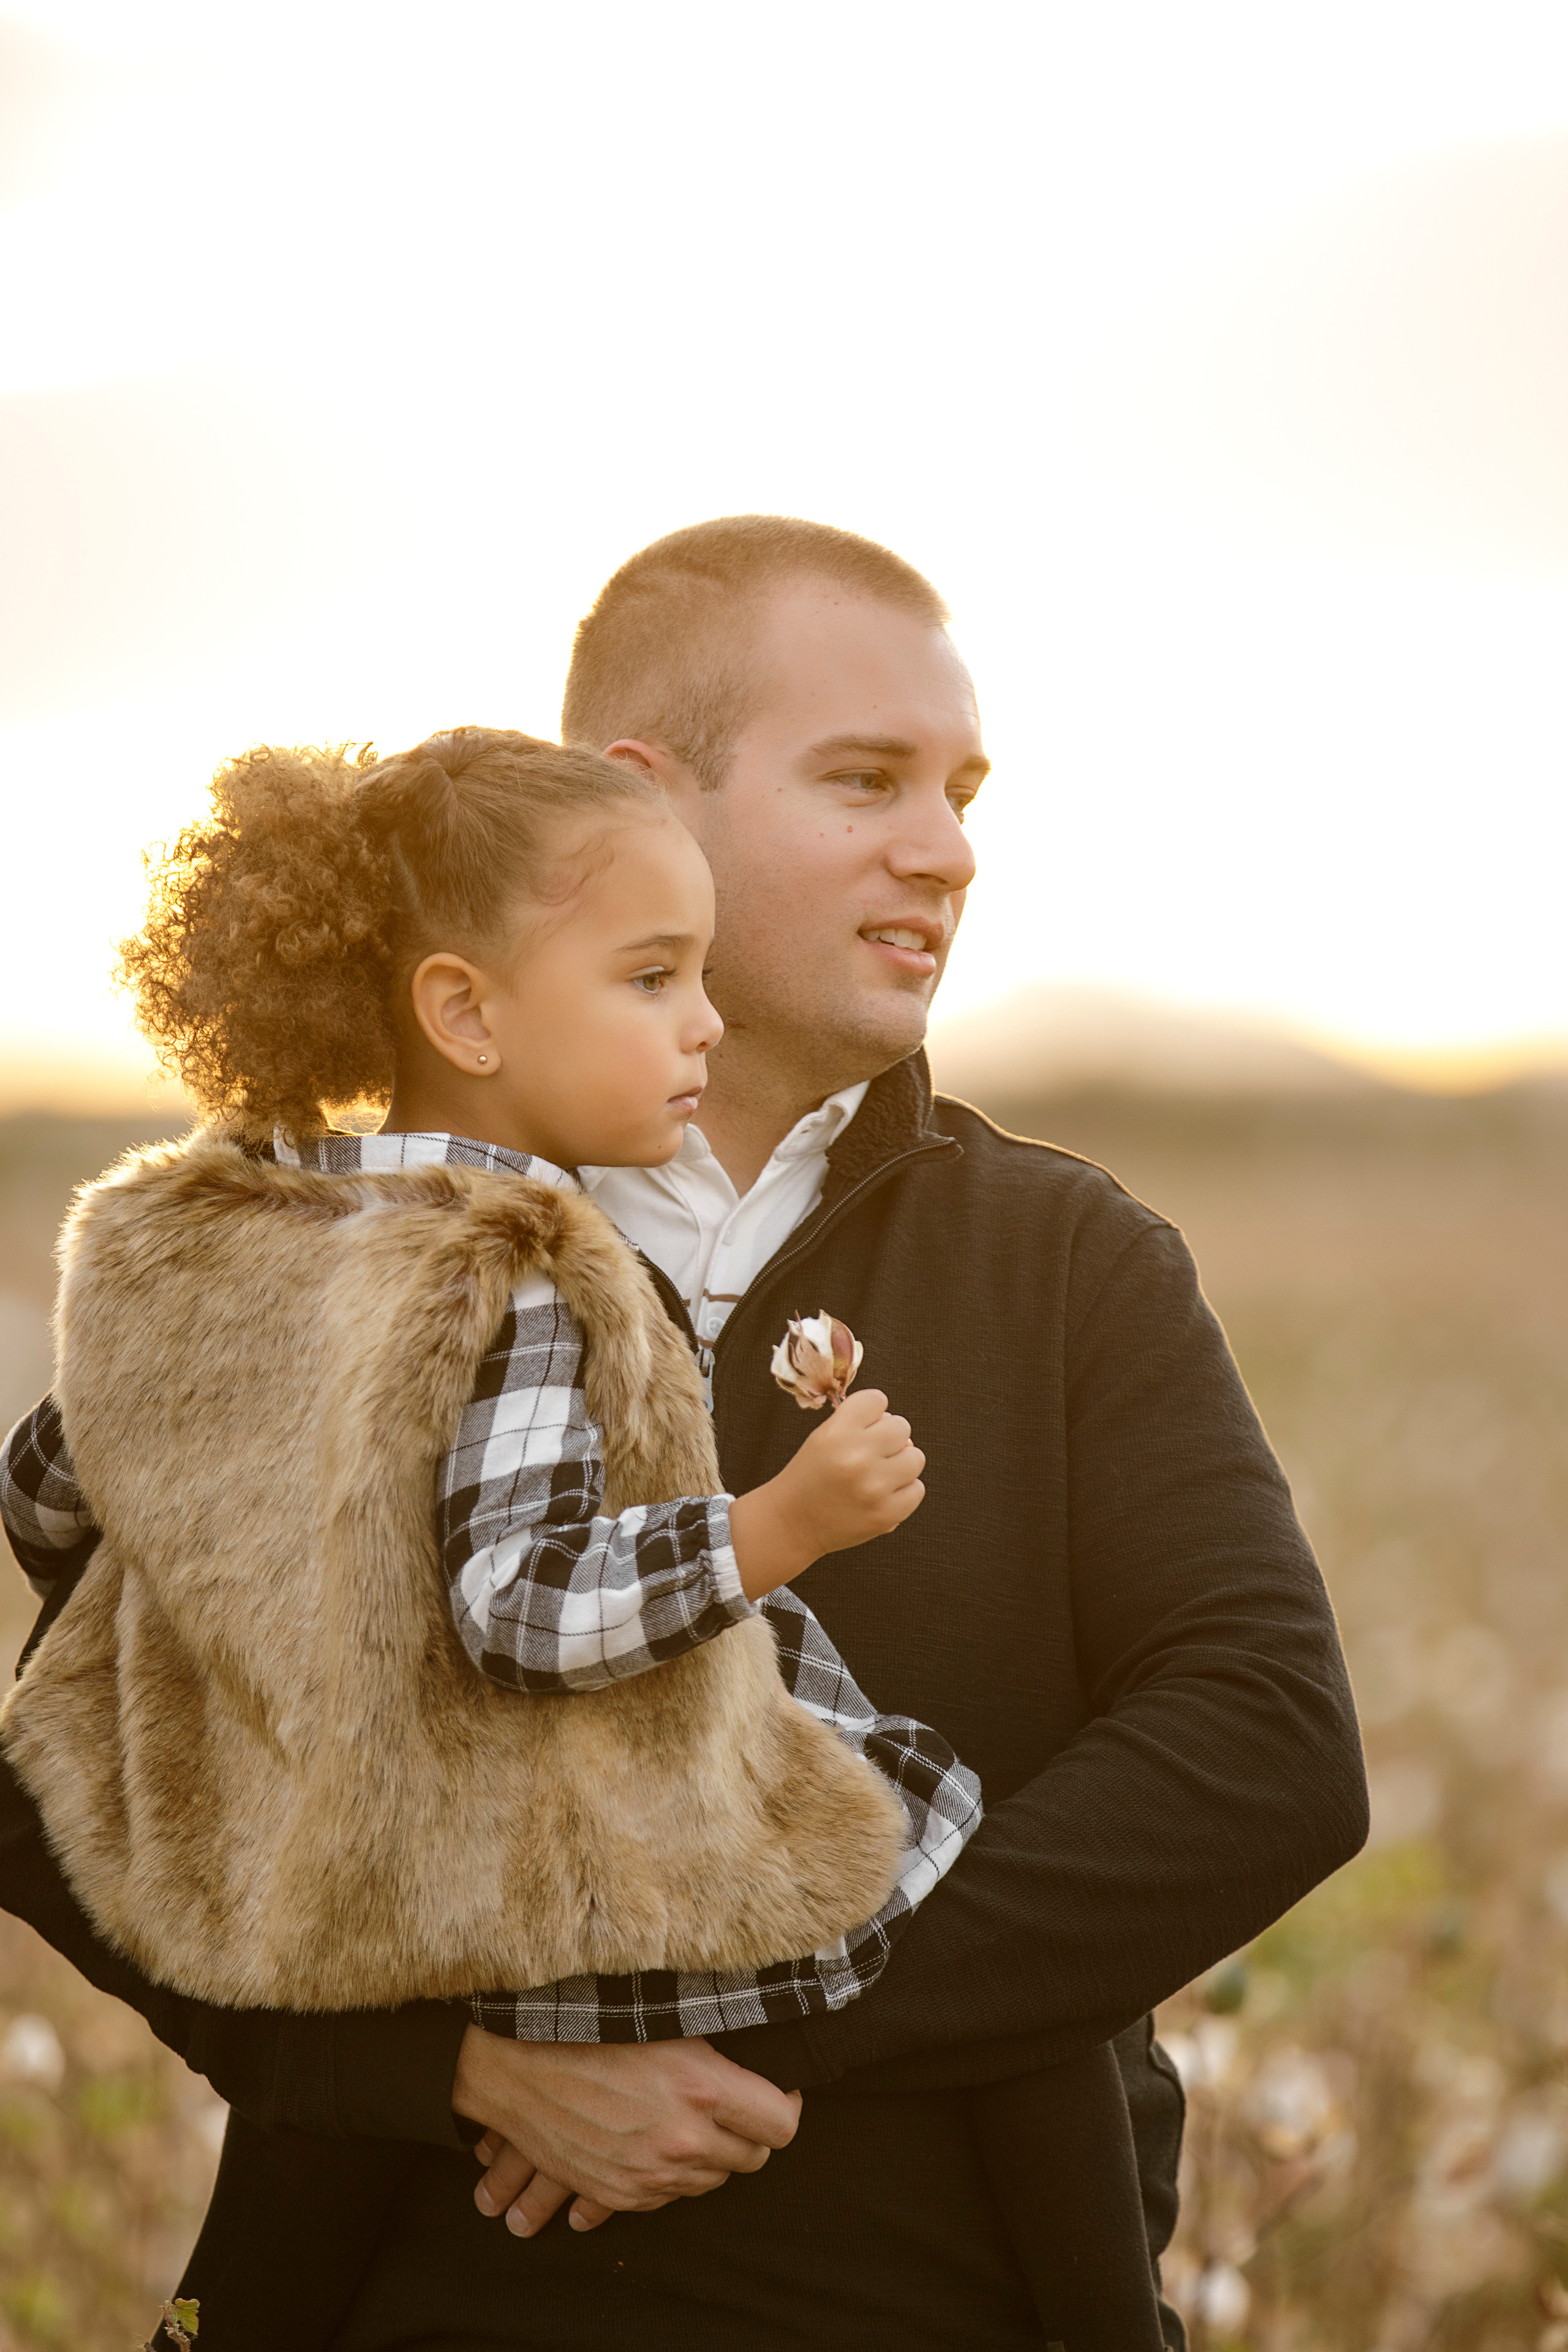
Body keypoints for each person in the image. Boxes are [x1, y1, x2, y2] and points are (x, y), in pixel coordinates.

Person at [0, 517, 1368, 2349]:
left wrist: (701, 2012)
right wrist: (461, 2071)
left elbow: (1265, 1755)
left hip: (972, 2302)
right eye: (866, 779)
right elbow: (73, 1776)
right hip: (417, 2303)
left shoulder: (1070, 1258)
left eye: (961, 791)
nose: (945, 849)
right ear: (643, 796)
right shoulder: (331, 1260)